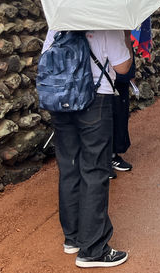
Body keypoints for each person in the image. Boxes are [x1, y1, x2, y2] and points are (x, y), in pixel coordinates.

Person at [43, 29, 131, 268]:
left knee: (69, 168)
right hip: (95, 101)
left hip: (61, 101)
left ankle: (72, 238)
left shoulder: (58, 24)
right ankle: (93, 249)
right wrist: (125, 39)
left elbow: (46, 56)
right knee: (95, 170)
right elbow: (123, 68)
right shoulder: (105, 24)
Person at [111, 38, 135, 176]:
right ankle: (103, 158)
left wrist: (131, 72)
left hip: (119, 76)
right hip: (99, 78)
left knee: (120, 113)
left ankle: (113, 154)